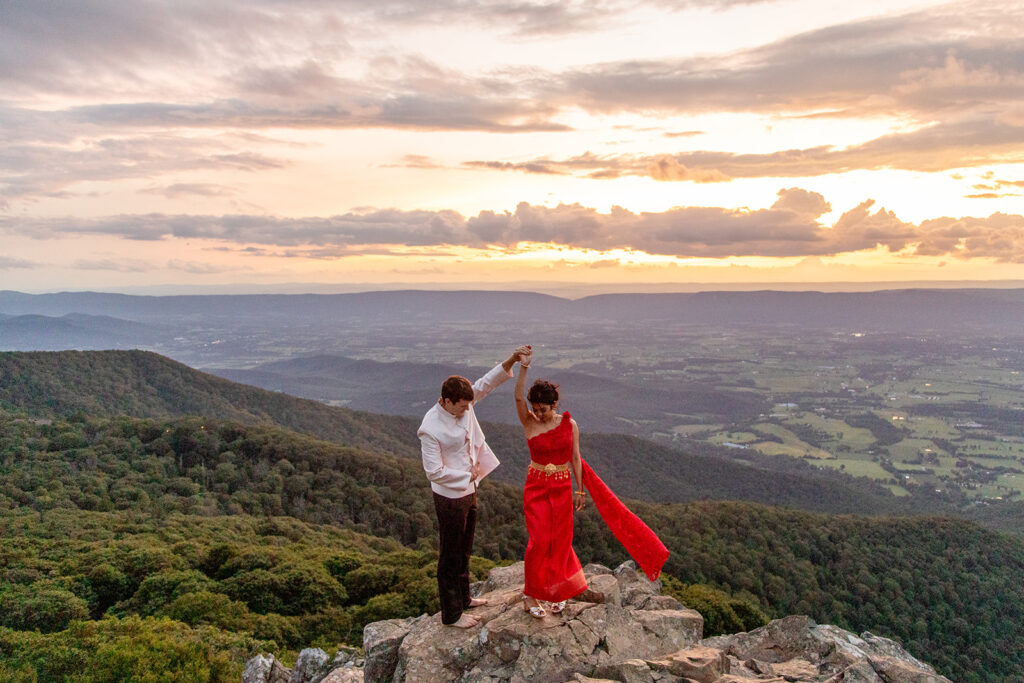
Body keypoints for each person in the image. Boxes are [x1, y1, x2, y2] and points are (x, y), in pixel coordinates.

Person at [514, 351, 669, 618]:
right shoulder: (529, 422)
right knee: (539, 541)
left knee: (561, 541)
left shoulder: (568, 424)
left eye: (543, 409)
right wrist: (523, 367)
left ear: (554, 405)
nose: (538, 414)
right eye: (535, 408)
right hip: (536, 487)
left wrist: (580, 489)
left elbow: (575, 457)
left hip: (562, 485)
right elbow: (517, 397)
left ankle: (557, 593)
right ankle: (531, 595)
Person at [418, 345, 531, 628]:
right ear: (445, 401)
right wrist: (466, 477)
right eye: (461, 406)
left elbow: (484, 384)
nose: (468, 409)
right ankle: (452, 615)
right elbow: (433, 471)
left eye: (469, 404)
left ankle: (465, 597)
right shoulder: (430, 427)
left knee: (465, 549)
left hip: (470, 491)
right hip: (449, 497)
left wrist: (512, 359)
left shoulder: (465, 402)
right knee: (450, 555)